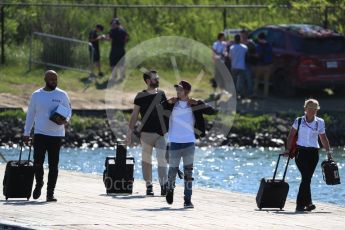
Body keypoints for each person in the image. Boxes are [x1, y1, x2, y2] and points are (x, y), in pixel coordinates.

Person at [160, 80, 217, 208]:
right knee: (172, 171)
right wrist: (168, 102)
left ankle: (187, 200)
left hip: (189, 142)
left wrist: (198, 103)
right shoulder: (172, 104)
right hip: (174, 141)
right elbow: (158, 108)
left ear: (186, 91)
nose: (177, 91)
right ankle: (170, 189)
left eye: (179, 89)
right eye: (177, 89)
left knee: (188, 173)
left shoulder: (194, 104)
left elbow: (213, 111)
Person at [23, 70, 72, 202]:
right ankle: (39, 184)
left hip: (56, 135)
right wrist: (26, 133)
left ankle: (50, 194)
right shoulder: (37, 95)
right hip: (40, 134)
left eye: (55, 79)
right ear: (45, 79)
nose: (54, 82)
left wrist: (65, 120)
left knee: (53, 165)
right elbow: (30, 115)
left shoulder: (62, 94)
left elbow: (68, 111)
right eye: (51, 79)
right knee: (38, 162)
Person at [284, 99, 333, 212]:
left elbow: (323, 138)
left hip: (313, 154)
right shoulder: (299, 121)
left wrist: (329, 153)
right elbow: (291, 135)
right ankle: (301, 205)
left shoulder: (319, 122)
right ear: (305, 109)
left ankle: (307, 203)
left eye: (315, 109)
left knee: (307, 178)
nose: (312, 111)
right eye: (310, 109)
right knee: (306, 177)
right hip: (301, 153)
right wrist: (288, 149)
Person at [126, 70, 168, 196]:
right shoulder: (140, 96)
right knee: (146, 160)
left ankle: (163, 185)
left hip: (161, 133)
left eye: (158, 78)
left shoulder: (162, 94)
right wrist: (129, 133)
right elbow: (134, 115)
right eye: (155, 79)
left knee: (162, 159)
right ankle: (149, 186)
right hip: (146, 133)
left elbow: (167, 112)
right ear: (148, 81)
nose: (157, 80)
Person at [107, 18, 129, 82]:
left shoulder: (112, 31)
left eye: (113, 24)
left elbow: (109, 39)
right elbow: (127, 38)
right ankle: (122, 77)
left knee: (113, 63)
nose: (112, 25)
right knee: (121, 63)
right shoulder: (123, 30)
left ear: (116, 24)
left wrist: (105, 37)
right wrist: (123, 43)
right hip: (121, 48)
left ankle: (114, 76)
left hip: (114, 49)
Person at [253, 32, 273, 97]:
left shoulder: (259, 45)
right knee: (266, 81)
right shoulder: (269, 45)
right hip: (268, 65)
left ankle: (255, 93)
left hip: (260, 65)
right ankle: (265, 95)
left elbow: (258, 55)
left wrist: (252, 55)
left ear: (259, 38)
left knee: (257, 79)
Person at [229, 34, 248, 99]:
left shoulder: (231, 47)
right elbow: (246, 55)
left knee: (234, 80)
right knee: (241, 81)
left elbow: (230, 57)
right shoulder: (244, 47)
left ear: (234, 39)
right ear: (240, 40)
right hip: (241, 66)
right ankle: (240, 94)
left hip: (234, 66)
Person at [239, 29, 255, 98]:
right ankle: (242, 93)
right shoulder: (238, 43)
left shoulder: (250, 43)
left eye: (243, 35)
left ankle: (250, 93)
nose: (242, 36)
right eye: (241, 35)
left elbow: (254, 52)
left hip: (247, 63)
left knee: (248, 79)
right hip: (240, 64)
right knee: (241, 79)